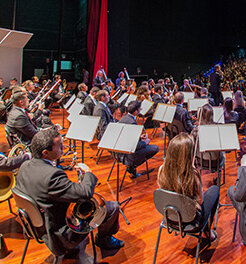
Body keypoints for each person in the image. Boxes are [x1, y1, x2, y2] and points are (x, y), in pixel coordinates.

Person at [13, 128, 124, 257]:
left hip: (38, 227)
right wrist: (88, 173)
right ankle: (104, 240)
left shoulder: (25, 166)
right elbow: (85, 193)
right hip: (60, 234)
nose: (64, 147)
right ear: (45, 153)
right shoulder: (52, 176)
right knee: (113, 207)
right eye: (59, 146)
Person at [158, 133, 220, 241]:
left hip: (170, 216)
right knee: (214, 190)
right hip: (190, 221)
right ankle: (208, 232)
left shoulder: (162, 170)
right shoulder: (192, 175)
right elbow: (200, 201)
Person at [119, 101, 159, 178]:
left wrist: (140, 137)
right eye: (139, 109)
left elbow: (128, 136)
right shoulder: (132, 123)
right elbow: (134, 145)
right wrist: (145, 142)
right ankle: (132, 166)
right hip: (129, 154)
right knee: (155, 148)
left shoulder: (124, 117)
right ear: (135, 111)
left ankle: (132, 167)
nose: (141, 110)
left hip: (121, 150)